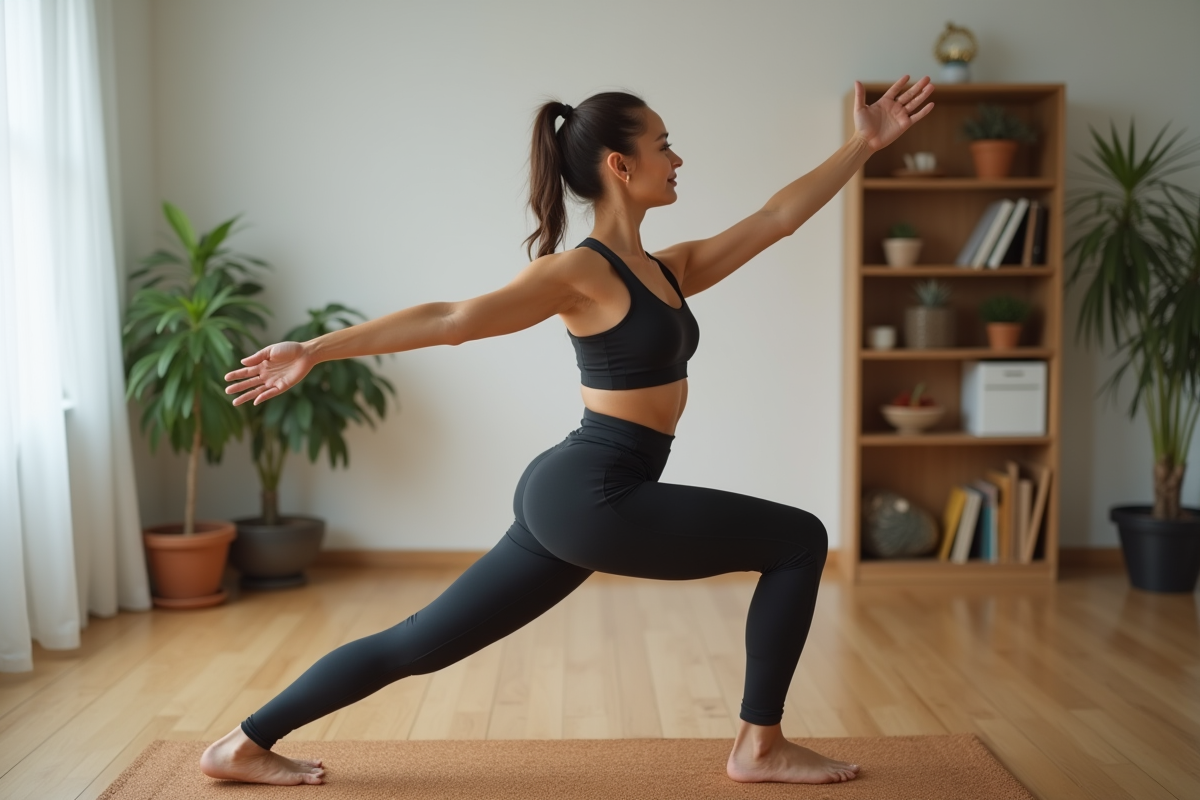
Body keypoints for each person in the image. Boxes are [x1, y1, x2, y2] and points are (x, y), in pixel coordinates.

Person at [201, 74, 934, 787]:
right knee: (800, 539)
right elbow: (452, 320)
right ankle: (760, 747)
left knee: (419, 642)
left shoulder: (663, 269)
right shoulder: (581, 272)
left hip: (582, 489)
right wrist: (316, 350)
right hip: (595, 491)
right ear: (621, 164)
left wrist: (862, 147)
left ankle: (242, 744)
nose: (677, 159)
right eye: (664, 144)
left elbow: (776, 220)